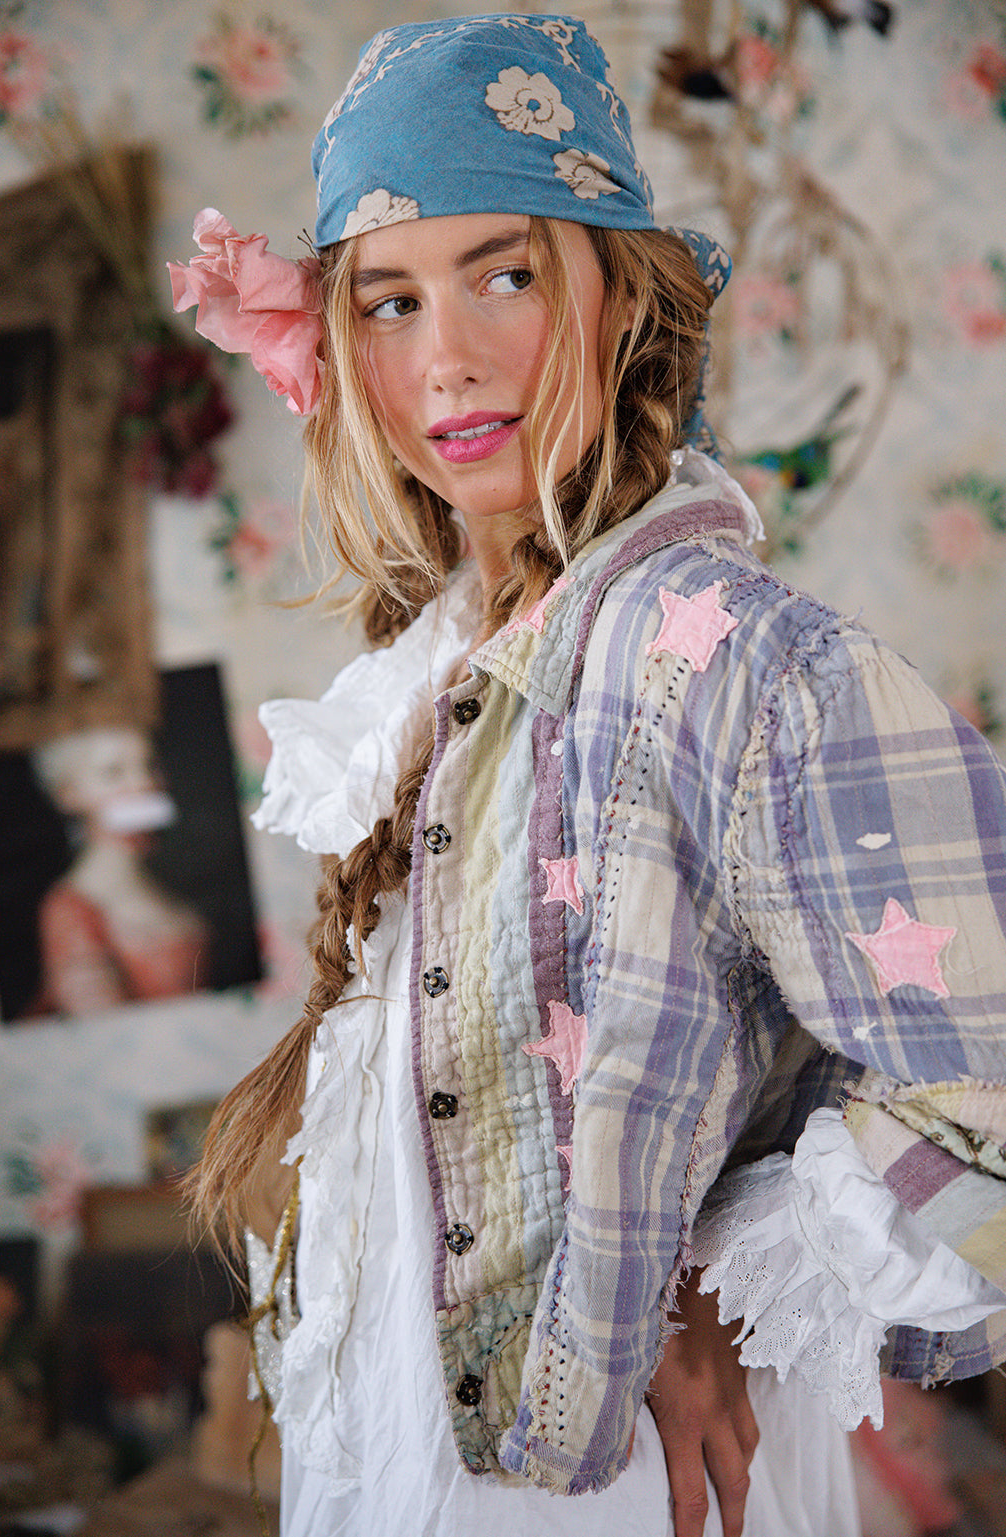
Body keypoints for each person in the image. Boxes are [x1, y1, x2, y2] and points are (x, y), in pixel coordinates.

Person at [168, 16, 1006, 1537]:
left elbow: (987, 1082)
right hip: (420, 1457)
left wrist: (715, 1277)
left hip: (620, 1486)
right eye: (389, 301)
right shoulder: (438, 667)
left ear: (617, 296)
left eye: (506, 275)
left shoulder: (741, 665)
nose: (447, 357)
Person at [29, 726, 207, 1015]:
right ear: (68, 794)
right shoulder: (71, 912)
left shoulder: (170, 879)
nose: (144, 783)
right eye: (113, 772)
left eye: (150, 766)